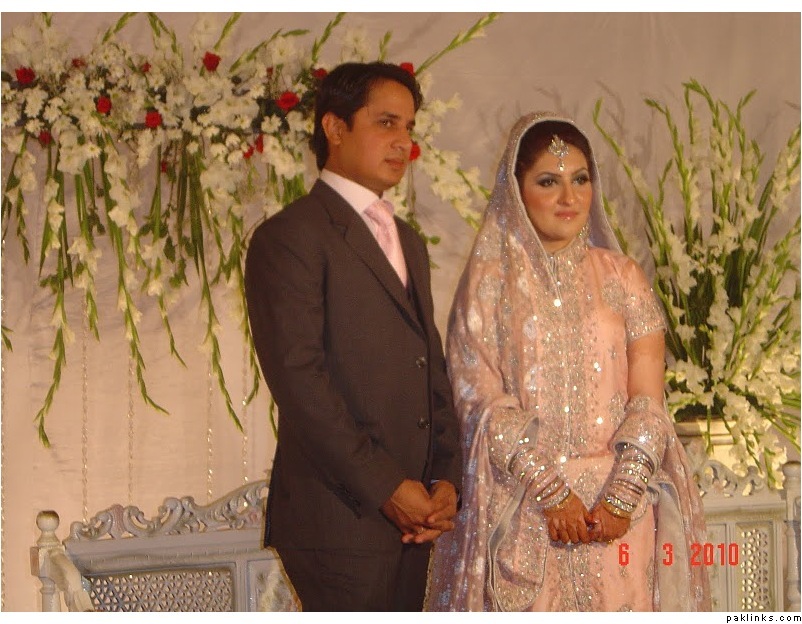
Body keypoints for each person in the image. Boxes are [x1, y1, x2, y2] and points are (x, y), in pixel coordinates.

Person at [425, 112, 711, 611]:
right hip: (525, 513)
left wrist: (623, 494)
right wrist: (551, 492)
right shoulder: (490, 284)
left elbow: (649, 402)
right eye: (548, 182)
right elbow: (478, 401)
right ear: (516, 191)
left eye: (580, 180)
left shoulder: (624, 277)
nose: (569, 197)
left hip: (617, 518)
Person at [244, 61, 463, 612]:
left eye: (409, 127)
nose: (403, 142)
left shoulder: (407, 240)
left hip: (415, 516)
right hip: (340, 517)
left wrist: (445, 480)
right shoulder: (289, 236)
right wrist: (388, 487)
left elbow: (429, 367)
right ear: (335, 127)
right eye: (387, 123)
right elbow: (301, 383)